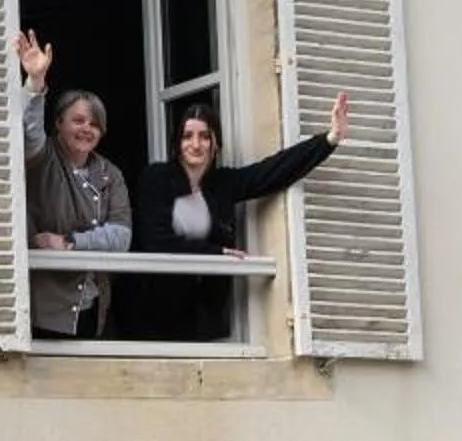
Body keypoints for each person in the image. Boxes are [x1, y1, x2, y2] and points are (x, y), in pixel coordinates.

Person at [122, 91, 350, 342]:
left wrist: (329, 139)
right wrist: (216, 253)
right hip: (152, 318)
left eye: (204, 136)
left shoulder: (223, 184)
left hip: (203, 323)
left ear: (216, 142)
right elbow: (158, 241)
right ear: (177, 143)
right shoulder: (156, 179)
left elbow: (273, 170)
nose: (195, 144)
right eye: (187, 136)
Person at [15, 30, 132, 340]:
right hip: (43, 305)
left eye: (94, 123)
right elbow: (28, 132)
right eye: (78, 120)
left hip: (90, 303)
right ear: (59, 124)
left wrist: (69, 244)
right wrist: (35, 83)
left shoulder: (110, 173)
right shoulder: (43, 156)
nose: (87, 129)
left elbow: (121, 237)